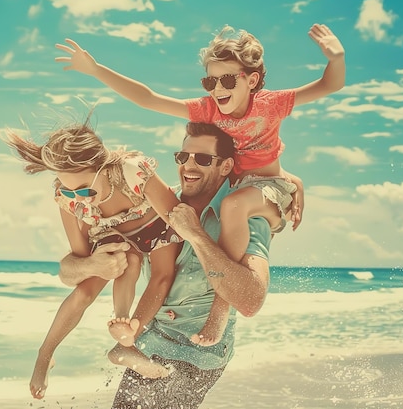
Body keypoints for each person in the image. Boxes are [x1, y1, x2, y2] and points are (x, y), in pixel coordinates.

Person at [55, 23, 344, 346]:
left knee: (233, 207)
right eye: (210, 80)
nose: (217, 88)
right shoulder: (207, 111)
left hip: (265, 185)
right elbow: (149, 99)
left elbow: (330, 85)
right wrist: (96, 70)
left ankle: (219, 314)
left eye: (227, 79)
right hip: (237, 183)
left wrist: (336, 57)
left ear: (251, 80)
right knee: (220, 209)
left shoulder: (271, 104)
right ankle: (144, 332)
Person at [59, 121, 292, 409]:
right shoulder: (156, 200)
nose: (189, 165)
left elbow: (250, 300)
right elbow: (69, 271)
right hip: (149, 343)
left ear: (225, 166)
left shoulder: (246, 215)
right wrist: (91, 265)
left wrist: (195, 234)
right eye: (183, 157)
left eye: (203, 159)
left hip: (198, 353)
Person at [4, 115, 183, 399]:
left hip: (154, 225)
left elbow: (177, 215)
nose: (80, 198)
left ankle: (127, 339)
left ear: (102, 167)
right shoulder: (69, 198)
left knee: (163, 274)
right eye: (68, 189)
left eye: (85, 189)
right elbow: (78, 259)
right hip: (111, 233)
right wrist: (94, 264)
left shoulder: (131, 171)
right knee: (102, 278)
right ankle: (45, 353)